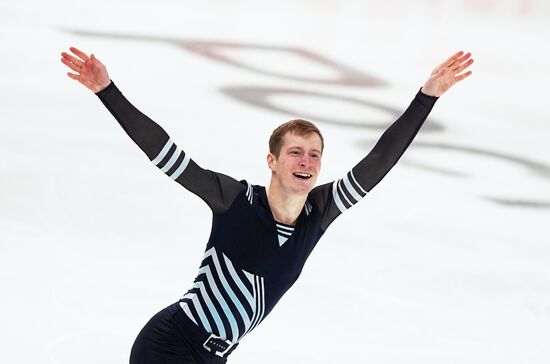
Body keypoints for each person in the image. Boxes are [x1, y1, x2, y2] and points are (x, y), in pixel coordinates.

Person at [60, 47, 473, 364]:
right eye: (295, 153)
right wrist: (107, 91)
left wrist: (426, 97)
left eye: (314, 155)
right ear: (272, 162)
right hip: (169, 344)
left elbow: (379, 161)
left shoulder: (320, 212)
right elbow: (164, 152)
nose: (306, 162)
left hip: (214, 356)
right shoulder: (233, 199)